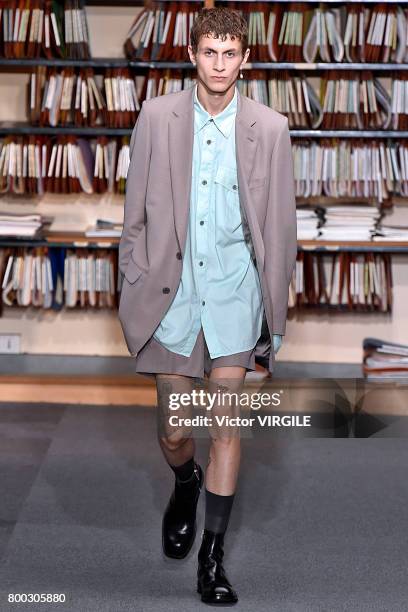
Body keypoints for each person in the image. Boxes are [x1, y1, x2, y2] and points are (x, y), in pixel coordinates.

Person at [118, 6, 297, 606]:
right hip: (172, 294)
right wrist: (132, 279)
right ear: (193, 55)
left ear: (246, 59)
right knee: (174, 426)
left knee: (226, 423)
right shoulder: (156, 117)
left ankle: (212, 562)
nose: (219, 64)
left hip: (235, 293)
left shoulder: (270, 128)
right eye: (208, 52)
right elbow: (134, 215)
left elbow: (279, 232)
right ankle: (183, 480)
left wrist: (273, 324)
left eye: (230, 53)